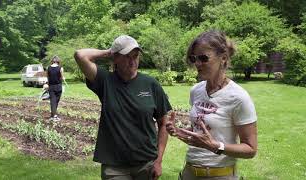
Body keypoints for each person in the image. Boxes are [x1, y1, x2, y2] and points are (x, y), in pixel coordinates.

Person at [74, 35, 172, 180]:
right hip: (114, 167)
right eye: (127, 56)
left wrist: (158, 160)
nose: (132, 61)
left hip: (146, 163)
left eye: (136, 56)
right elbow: (80, 55)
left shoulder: (151, 84)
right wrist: (108, 52)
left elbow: (164, 123)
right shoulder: (105, 81)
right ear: (115, 59)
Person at [166, 30, 257, 180]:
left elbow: (251, 149)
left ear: (223, 58)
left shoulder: (238, 97)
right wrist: (181, 132)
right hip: (189, 172)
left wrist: (216, 146)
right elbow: (201, 132)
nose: (197, 64)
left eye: (203, 58)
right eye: (194, 58)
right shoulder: (196, 90)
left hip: (220, 175)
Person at [47, 55, 65, 122]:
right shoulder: (60, 68)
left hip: (51, 87)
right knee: (56, 101)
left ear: (52, 61)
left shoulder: (48, 68)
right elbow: (62, 78)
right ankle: (54, 116)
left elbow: (48, 78)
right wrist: (63, 78)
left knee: (53, 101)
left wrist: (47, 85)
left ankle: (53, 115)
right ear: (58, 61)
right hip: (58, 87)